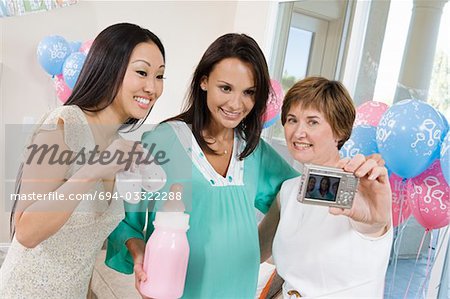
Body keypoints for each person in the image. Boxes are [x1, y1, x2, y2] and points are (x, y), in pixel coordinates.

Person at [105, 33, 298, 298]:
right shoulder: (163, 141)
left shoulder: (255, 151)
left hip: (238, 290)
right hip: (173, 291)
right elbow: (126, 222)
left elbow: (301, 197)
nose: (236, 104)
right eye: (226, 88)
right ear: (204, 81)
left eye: (249, 92)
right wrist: (140, 256)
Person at [0, 23, 166, 298]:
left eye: (160, 76)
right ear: (110, 67)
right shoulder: (65, 123)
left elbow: (82, 251)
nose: (152, 87)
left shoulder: (118, 145)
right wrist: (92, 171)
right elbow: (26, 231)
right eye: (142, 72)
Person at [259, 77, 393, 297]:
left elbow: (373, 225)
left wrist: (377, 222)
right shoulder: (289, 190)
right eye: (292, 120)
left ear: (339, 131)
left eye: (312, 121)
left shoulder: (361, 190)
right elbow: (256, 251)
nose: (298, 132)